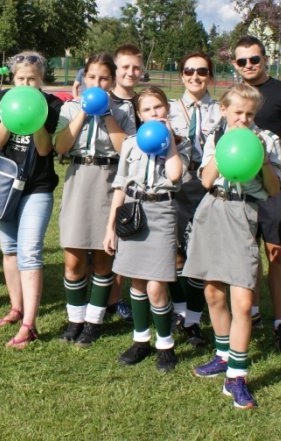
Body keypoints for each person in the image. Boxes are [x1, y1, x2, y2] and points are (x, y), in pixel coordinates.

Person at [183, 83, 281, 409]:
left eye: (250, 114)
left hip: (243, 213)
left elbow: (273, 189)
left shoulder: (268, 140)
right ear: (224, 110)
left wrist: (262, 159)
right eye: (238, 112)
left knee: (242, 301)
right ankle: (223, 355)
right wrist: (226, 146)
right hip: (212, 209)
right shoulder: (216, 136)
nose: (244, 119)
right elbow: (206, 180)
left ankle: (236, 377)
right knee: (213, 292)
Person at [233, 36, 281, 353]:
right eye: (242, 61)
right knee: (246, 254)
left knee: (275, 252)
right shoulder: (234, 96)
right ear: (235, 64)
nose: (249, 65)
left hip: (274, 188)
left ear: (265, 58)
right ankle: (251, 313)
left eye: (254, 59)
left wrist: (271, 175)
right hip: (240, 190)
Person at [104, 86, 185, 372]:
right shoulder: (131, 143)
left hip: (161, 213)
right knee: (137, 282)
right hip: (134, 211)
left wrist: (169, 140)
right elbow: (120, 186)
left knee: (156, 285)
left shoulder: (179, 143)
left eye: (158, 107)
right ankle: (141, 340)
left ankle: (165, 344)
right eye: (147, 109)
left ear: (167, 109)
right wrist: (111, 228)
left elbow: (175, 175)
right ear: (139, 114)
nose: (154, 113)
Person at [54, 53, 132, 347]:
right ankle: (75, 320)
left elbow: (125, 149)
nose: (97, 83)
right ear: (84, 78)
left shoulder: (122, 109)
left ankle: (93, 321)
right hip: (79, 176)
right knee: (73, 257)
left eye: (104, 79)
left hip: (109, 180)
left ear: (112, 81)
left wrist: (107, 113)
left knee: (103, 256)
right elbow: (61, 146)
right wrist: (84, 113)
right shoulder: (70, 107)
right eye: (92, 77)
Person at [0, 51, 62, 349]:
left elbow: (45, 150)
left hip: (37, 187)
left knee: (29, 252)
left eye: (32, 79)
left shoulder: (52, 104)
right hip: (4, 186)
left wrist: (35, 116)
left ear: (41, 79)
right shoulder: (3, 99)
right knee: (9, 250)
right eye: (21, 79)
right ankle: (15, 308)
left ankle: (29, 325)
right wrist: (11, 113)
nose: (26, 84)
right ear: (13, 78)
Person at [167, 51, 222, 348]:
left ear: (210, 75)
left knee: (201, 255)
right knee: (175, 252)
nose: (195, 76)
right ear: (181, 76)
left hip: (209, 186)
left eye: (202, 71)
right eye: (189, 71)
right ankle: (179, 312)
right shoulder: (168, 109)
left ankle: (194, 319)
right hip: (177, 184)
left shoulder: (222, 110)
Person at [107, 44, 144, 320]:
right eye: (125, 67)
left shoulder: (145, 102)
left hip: (134, 179)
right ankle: (104, 298)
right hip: (106, 174)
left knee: (126, 235)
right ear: (115, 69)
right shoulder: (103, 100)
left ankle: (117, 298)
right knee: (105, 241)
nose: (130, 72)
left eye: (136, 67)